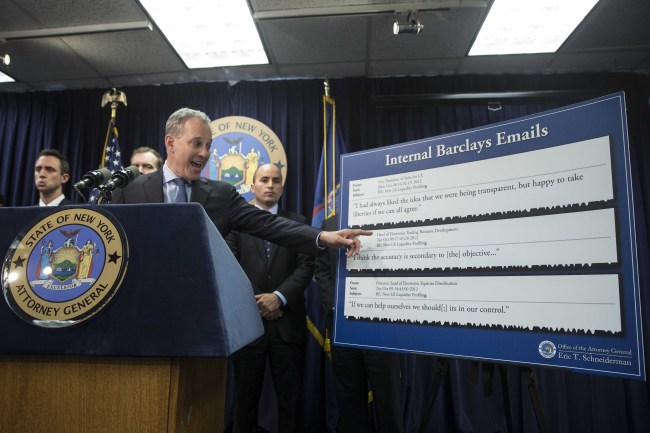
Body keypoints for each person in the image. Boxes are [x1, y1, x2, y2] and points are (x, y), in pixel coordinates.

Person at [111, 107, 371, 255]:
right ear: (171, 142)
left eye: (208, 145)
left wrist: (324, 236)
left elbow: (271, 225)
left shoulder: (221, 195)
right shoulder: (128, 190)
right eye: (197, 144)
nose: (205, 153)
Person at [226, 163, 313, 433]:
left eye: (276, 181)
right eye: (264, 180)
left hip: (287, 324)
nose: (271, 185)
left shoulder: (297, 222)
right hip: (249, 328)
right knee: (245, 401)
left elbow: (306, 267)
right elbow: (229, 265)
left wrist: (279, 297)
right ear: (252, 187)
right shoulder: (237, 223)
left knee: (291, 401)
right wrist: (259, 302)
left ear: (282, 188)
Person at [315, 214, 404, 433]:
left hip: (382, 327)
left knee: (388, 400)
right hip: (342, 326)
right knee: (349, 400)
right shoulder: (331, 223)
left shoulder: (393, 215)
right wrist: (334, 308)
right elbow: (322, 269)